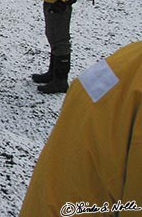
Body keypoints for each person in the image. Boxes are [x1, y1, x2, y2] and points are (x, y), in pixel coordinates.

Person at [20, 41, 142, 216]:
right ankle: (56, 75)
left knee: (58, 37)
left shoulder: (121, 67)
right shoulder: (125, 73)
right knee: (56, 35)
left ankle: (58, 77)